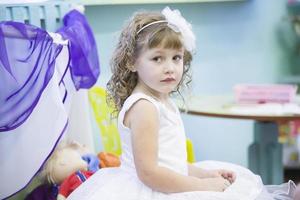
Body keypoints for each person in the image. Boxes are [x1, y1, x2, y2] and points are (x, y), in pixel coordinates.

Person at [68, 7, 295, 200]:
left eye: (176, 58)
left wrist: (205, 174)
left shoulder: (161, 99)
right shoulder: (144, 107)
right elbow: (149, 173)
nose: (170, 67)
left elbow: (171, 163)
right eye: (157, 58)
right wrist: (202, 186)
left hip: (164, 182)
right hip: (150, 190)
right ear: (132, 62)